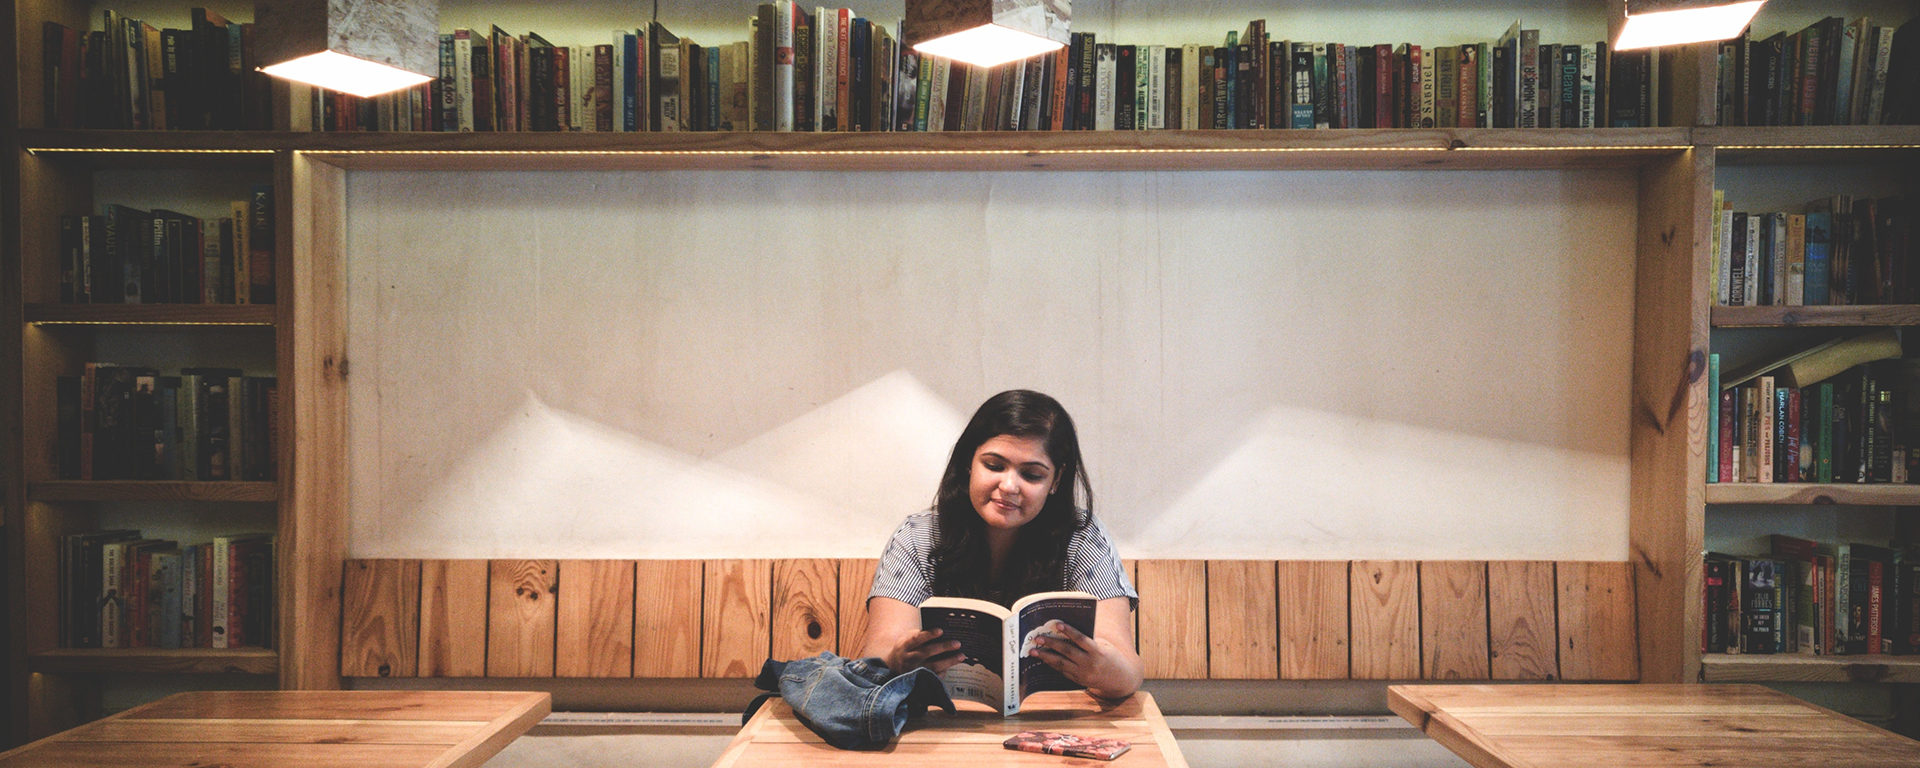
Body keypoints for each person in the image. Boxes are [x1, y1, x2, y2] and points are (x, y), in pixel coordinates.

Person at [862, 390, 1143, 701]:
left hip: (1055, 723)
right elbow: (877, 650)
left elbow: (1128, 671)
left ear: (1055, 481)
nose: (1009, 486)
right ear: (969, 463)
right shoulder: (918, 536)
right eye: (994, 466)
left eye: (1032, 475)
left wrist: (1100, 666)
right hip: (941, 723)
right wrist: (898, 659)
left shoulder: (1082, 537)